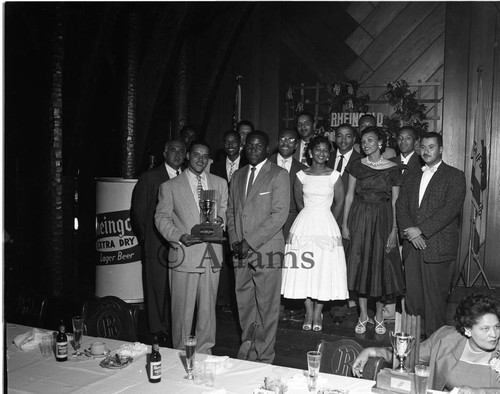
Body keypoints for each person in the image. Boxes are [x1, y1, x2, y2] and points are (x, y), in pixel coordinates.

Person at [154, 141, 228, 354]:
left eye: (205, 156)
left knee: (207, 311)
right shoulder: (170, 186)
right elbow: (161, 218)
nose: (201, 159)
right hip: (184, 254)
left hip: (211, 254)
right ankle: (180, 353)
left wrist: (221, 221)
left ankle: (205, 352)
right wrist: (178, 237)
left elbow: (224, 209)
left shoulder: (219, 183)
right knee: (182, 313)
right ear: (188, 156)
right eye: (196, 155)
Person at [352, 293, 500, 393]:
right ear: (467, 330)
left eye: (497, 327)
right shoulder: (446, 340)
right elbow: (408, 355)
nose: (494, 334)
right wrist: (370, 351)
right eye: (485, 329)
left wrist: (478, 392)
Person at [227, 130, 289, 363]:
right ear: (244, 147)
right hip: (239, 251)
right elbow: (231, 211)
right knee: (244, 305)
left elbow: (278, 215)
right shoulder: (238, 175)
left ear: (267, 148)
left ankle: (265, 357)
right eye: (249, 146)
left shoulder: (278, 174)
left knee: (267, 307)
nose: (253, 150)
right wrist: (235, 240)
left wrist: (249, 242)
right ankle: (249, 350)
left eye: (258, 146)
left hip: (266, 250)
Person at [396, 131, 466, 338]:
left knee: (435, 303)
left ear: (441, 149)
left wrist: (422, 230)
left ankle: (435, 353)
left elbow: (450, 209)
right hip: (412, 246)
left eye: (431, 147)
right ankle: (413, 349)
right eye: (423, 147)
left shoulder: (455, 175)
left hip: (438, 247)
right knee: (413, 301)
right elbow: (401, 206)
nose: (426, 151)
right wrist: (411, 232)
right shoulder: (412, 175)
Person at [281, 135, 348, 332]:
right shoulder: (301, 176)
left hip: (326, 225)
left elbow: (340, 202)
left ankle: (318, 312)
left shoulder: (334, 176)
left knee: (323, 269)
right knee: (304, 269)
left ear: (329, 154)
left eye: (325, 150)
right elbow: (299, 203)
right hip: (304, 225)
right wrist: (310, 217)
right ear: (310, 152)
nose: (321, 153)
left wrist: (327, 221)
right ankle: (308, 311)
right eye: (317, 149)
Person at [342, 126, 405, 335]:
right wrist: (344, 224)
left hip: (383, 219)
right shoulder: (356, 166)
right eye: (364, 141)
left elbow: (396, 200)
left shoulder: (393, 168)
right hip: (359, 218)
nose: (366, 144)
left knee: (380, 267)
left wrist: (394, 229)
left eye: (371, 140)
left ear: (380, 143)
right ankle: (362, 315)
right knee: (359, 266)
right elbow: (349, 196)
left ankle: (379, 315)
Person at [131, 139, 186, 345]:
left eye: (181, 151)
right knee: (156, 288)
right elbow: (139, 211)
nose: (177, 154)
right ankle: (157, 328)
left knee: (175, 289)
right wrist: (148, 238)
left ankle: (173, 326)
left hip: (180, 244)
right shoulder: (150, 177)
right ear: (164, 152)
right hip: (156, 244)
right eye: (173, 150)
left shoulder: (187, 177)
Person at [210, 130, 248, 310]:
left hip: (240, 220)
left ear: (240, 143)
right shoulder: (215, 166)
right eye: (227, 141)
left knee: (239, 262)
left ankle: (237, 301)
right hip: (221, 220)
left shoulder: (249, 164)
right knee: (223, 261)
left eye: (234, 141)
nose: (231, 145)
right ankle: (222, 299)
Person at [269, 129, 307, 239]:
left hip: (292, 225)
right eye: (283, 139)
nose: (286, 143)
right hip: (266, 223)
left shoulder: (303, 170)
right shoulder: (265, 164)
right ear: (277, 143)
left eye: (291, 140)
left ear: (296, 145)